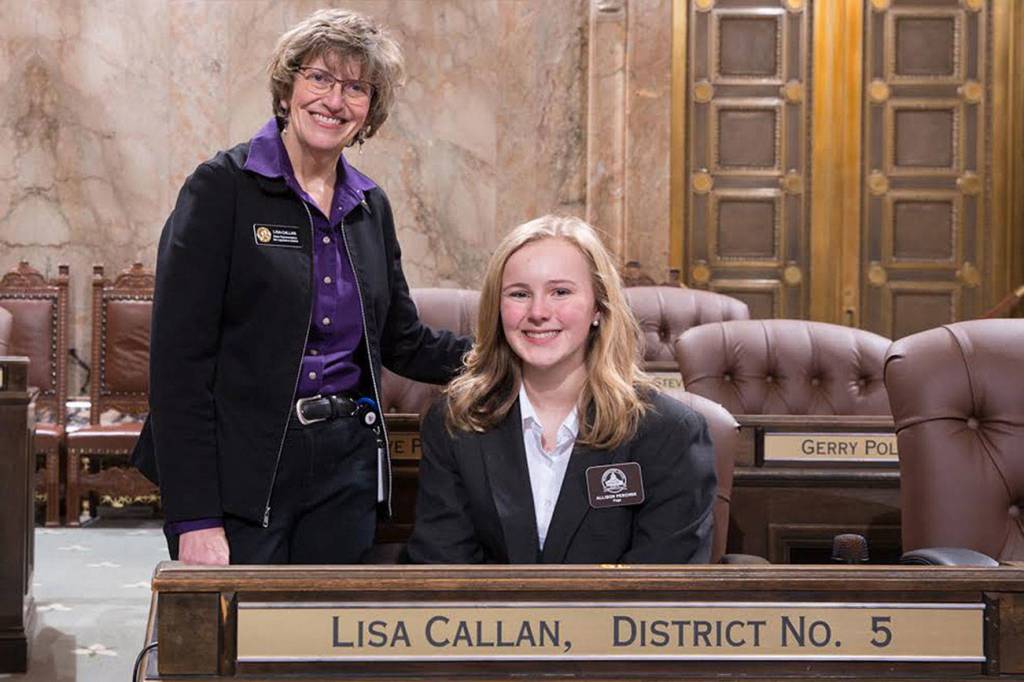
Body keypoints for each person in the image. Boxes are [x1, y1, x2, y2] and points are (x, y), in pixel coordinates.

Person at [131, 8, 470, 565]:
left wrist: (505, 353)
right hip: (244, 469)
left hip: (347, 470)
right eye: (319, 78)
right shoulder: (221, 188)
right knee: (242, 622)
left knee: (327, 621)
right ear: (287, 88)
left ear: (370, 111)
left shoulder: (370, 206)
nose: (334, 101)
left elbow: (403, 341)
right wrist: (195, 517)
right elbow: (178, 367)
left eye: (356, 88)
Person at [405, 216, 716, 564]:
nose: (538, 312)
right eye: (519, 294)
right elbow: (443, 567)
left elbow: (663, 582)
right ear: (497, 309)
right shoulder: (455, 422)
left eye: (561, 292)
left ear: (598, 307)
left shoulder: (671, 432)